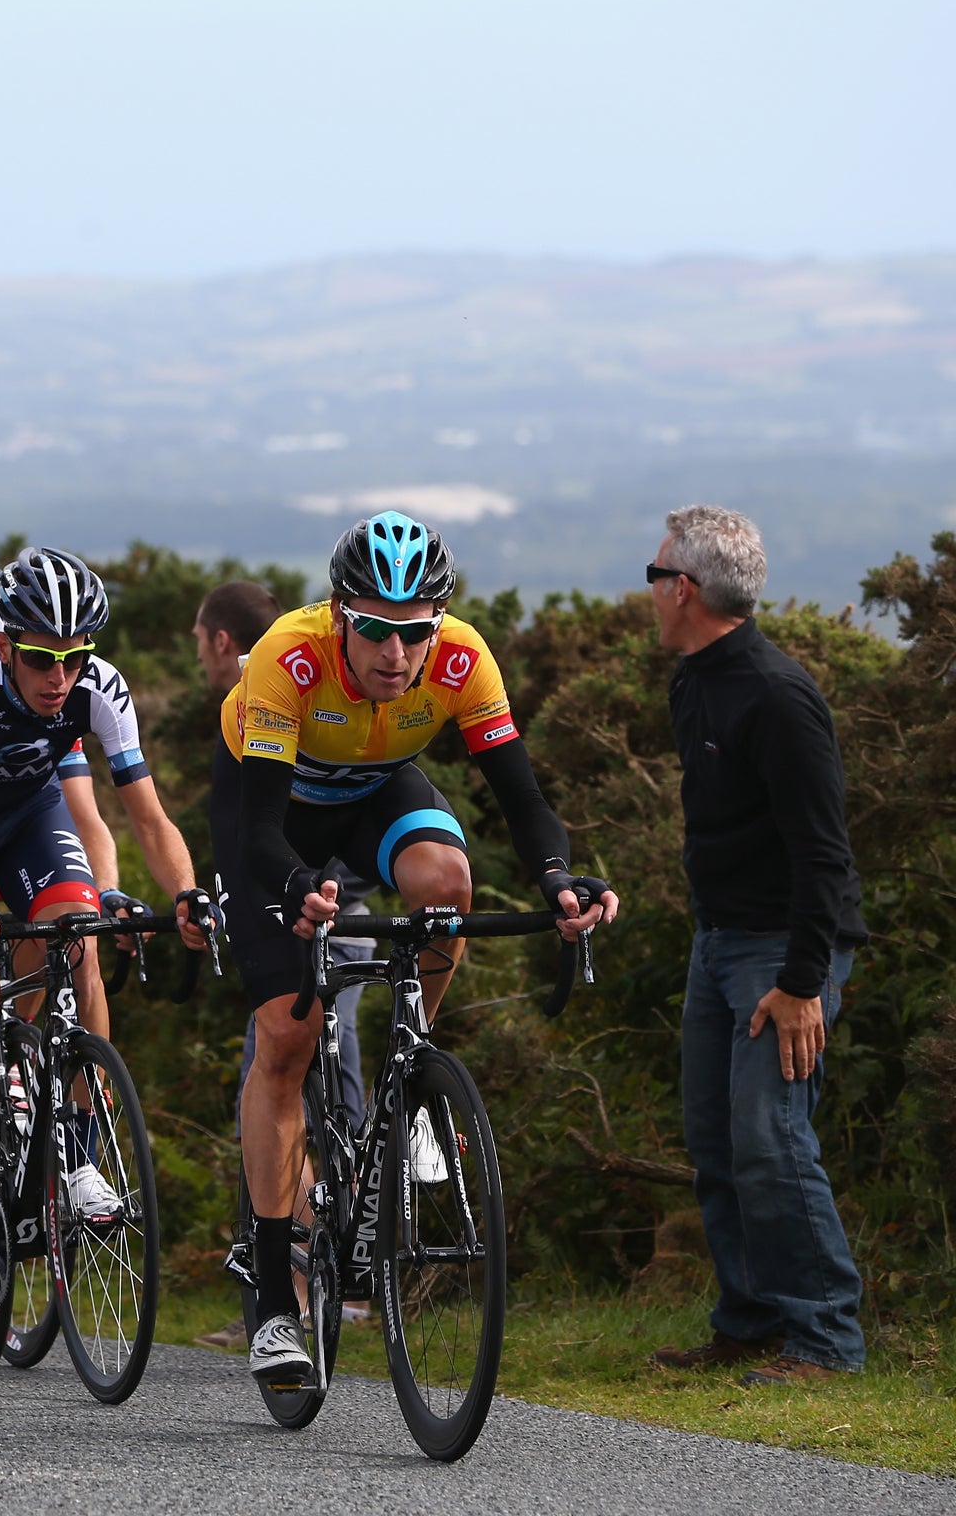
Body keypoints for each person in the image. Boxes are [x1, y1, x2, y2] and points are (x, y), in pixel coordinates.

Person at [224, 510, 615, 1387]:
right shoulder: (287, 654)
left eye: (414, 632)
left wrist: (558, 879)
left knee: (447, 884)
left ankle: (411, 1059)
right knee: (286, 1041)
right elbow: (255, 829)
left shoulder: (464, 658)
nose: (395, 655)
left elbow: (521, 799)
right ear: (338, 616)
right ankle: (275, 1298)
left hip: (372, 790)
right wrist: (296, 889)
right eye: (373, 630)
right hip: (273, 813)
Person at [0, 546, 212, 1265]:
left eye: (74, 658)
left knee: (81, 933)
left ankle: (80, 1150)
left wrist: (185, 894)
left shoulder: (98, 687)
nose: (58, 677)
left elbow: (149, 819)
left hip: (24, 823)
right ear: (4, 645)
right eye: (40, 659)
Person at [645, 505, 867, 1387]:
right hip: (720, 942)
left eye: (656, 576)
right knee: (716, 1137)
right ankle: (750, 1323)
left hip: (783, 954)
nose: (651, 592)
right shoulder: (694, 679)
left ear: (686, 591)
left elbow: (824, 852)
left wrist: (802, 981)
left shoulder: (776, 695)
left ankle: (826, 1339)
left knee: (771, 1138)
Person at [192, 582, 373, 1351]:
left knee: (277, 1081)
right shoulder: (315, 676)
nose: (201, 658)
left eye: (201, 644)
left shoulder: (263, 694)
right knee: (330, 1074)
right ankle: (344, 1273)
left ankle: (295, 1292)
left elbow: (252, 826)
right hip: (347, 901)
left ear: (225, 643)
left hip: (302, 904)